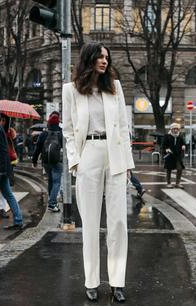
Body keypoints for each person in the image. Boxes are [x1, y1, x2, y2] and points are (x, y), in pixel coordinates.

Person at [62, 42, 134, 303]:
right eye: (100, 57)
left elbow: (124, 129)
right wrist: (75, 161)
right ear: (89, 59)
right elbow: (68, 130)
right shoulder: (71, 91)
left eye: (107, 57)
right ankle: (91, 281)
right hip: (88, 154)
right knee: (90, 223)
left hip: (114, 155)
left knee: (117, 223)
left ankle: (117, 282)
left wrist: (127, 163)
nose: (105, 61)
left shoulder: (115, 88)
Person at [32, 112, 63, 212]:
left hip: (46, 161)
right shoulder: (61, 133)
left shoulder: (44, 134)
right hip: (57, 161)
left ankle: (51, 201)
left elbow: (37, 148)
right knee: (56, 182)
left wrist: (34, 160)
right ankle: (52, 203)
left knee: (50, 180)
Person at [162, 122, 186, 188]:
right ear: (171, 129)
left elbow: (183, 143)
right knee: (169, 169)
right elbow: (163, 145)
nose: (175, 130)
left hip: (178, 156)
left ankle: (177, 183)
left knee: (180, 168)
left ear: (178, 130)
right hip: (170, 155)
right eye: (174, 129)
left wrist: (183, 146)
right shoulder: (167, 136)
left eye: (177, 129)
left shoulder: (180, 136)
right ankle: (168, 183)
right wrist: (166, 149)